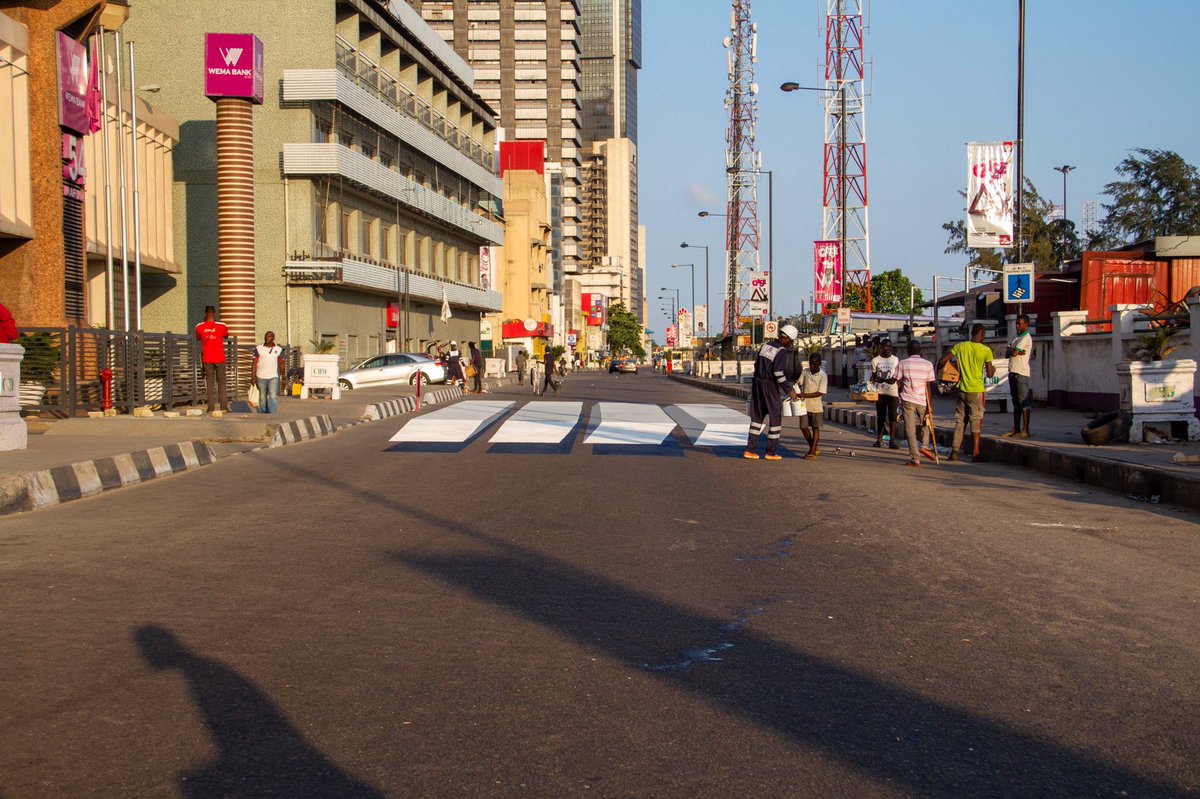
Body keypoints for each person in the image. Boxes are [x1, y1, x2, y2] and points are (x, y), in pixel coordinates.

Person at [938, 323, 996, 462]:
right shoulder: (986, 350)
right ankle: (976, 453)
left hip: (962, 389)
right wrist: (993, 370)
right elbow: (989, 374)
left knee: (960, 421)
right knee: (975, 421)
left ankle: (954, 452)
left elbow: (942, 361)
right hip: (976, 390)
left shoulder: (960, 346)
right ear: (982, 334)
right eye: (983, 335)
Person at [744, 324, 800, 460]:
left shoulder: (766, 346)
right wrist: (789, 390)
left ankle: (750, 450)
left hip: (757, 383)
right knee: (775, 416)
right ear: (786, 339)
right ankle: (771, 452)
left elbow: (756, 365)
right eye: (791, 342)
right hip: (769, 385)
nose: (790, 345)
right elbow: (778, 373)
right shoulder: (781, 351)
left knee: (757, 417)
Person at [895, 340, 937, 468]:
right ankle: (924, 446)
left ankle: (915, 458)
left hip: (908, 399)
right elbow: (929, 386)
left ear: (908, 351)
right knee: (926, 423)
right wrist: (930, 405)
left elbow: (897, 380)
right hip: (923, 400)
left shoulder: (902, 363)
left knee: (910, 431)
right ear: (920, 351)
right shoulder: (928, 364)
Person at [1003, 314, 1033, 439]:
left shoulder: (1026, 338)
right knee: (1016, 402)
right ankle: (1016, 428)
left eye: (1020, 324)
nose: (1017, 326)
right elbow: (1007, 353)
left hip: (1021, 372)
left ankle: (1025, 430)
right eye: (1016, 323)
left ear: (1026, 324)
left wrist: (1014, 351)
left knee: (1023, 401)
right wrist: (1014, 350)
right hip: (1013, 371)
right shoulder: (1016, 338)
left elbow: (1013, 353)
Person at [195, 305, 229, 414]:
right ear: (215, 313)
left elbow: (198, 337)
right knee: (222, 383)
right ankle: (223, 407)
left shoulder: (199, 326)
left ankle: (211, 407)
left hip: (207, 359)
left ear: (205, 313)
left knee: (210, 383)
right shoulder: (222, 325)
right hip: (219, 358)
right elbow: (226, 335)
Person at [797, 353, 828, 460]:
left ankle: (812, 451)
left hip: (816, 406)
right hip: (804, 405)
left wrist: (804, 394)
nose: (812, 366)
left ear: (819, 364)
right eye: (810, 364)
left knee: (815, 427)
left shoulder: (823, 376)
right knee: (803, 427)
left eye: (814, 364)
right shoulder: (805, 372)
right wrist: (796, 389)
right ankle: (813, 447)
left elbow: (820, 392)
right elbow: (799, 383)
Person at [872, 339, 901, 449]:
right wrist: (876, 381)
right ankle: (879, 440)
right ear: (881, 347)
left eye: (890, 346)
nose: (888, 348)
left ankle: (892, 441)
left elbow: (898, 375)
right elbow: (873, 376)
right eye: (886, 346)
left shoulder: (895, 360)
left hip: (893, 392)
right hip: (880, 392)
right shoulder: (875, 360)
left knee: (893, 417)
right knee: (881, 417)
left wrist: (893, 380)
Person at [251, 331, 285, 414]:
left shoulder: (278, 350)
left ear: (273, 338)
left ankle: (272, 414)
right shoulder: (258, 349)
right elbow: (254, 363)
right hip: (261, 377)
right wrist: (253, 377)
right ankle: (264, 413)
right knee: (262, 397)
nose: (267, 338)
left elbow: (281, 364)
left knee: (273, 396)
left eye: (269, 336)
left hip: (273, 377)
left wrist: (283, 377)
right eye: (266, 336)